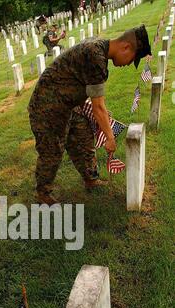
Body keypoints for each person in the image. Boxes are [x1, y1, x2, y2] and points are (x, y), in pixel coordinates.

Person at [28, 25, 151, 204]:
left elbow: (89, 92)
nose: (128, 64)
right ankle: (43, 193)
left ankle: (91, 179)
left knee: (83, 137)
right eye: (132, 59)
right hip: (48, 106)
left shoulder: (99, 48)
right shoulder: (96, 56)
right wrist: (110, 137)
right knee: (52, 150)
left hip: (70, 104)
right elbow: (98, 107)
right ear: (126, 47)